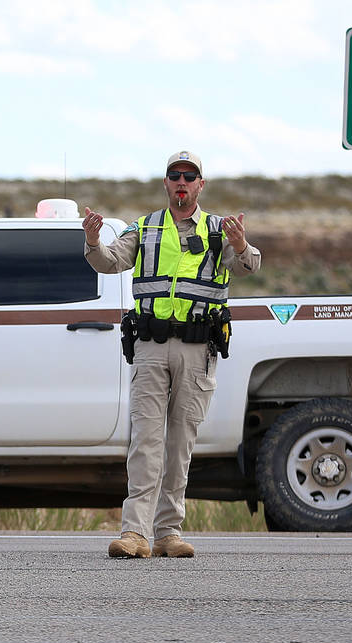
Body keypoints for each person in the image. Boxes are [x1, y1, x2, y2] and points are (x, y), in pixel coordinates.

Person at [83, 150, 261, 558]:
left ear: (201, 185)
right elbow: (109, 262)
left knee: (180, 444)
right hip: (150, 347)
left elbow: (248, 265)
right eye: (174, 176)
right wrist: (93, 240)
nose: (181, 182)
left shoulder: (219, 230)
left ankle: (168, 532)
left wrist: (241, 242)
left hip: (198, 351)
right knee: (146, 440)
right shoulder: (145, 228)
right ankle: (135, 534)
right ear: (166, 183)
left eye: (189, 176)